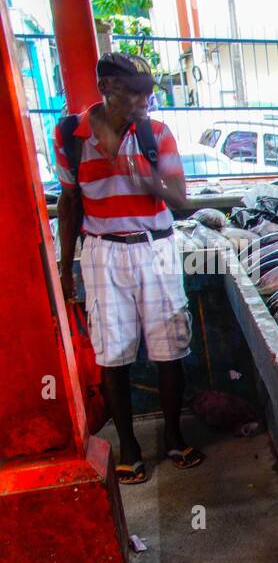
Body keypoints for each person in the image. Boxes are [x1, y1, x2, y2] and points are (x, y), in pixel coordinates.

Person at [55, 52, 203, 485]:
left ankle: (173, 435)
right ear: (106, 88)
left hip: (155, 247)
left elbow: (179, 199)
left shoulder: (156, 133)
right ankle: (129, 445)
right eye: (133, 94)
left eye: (148, 95)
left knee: (170, 346)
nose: (143, 103)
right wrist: (67, 268)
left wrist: (137, 172)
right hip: (103, 251)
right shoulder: (70, 134)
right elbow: (69, 203)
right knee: (112, 352)